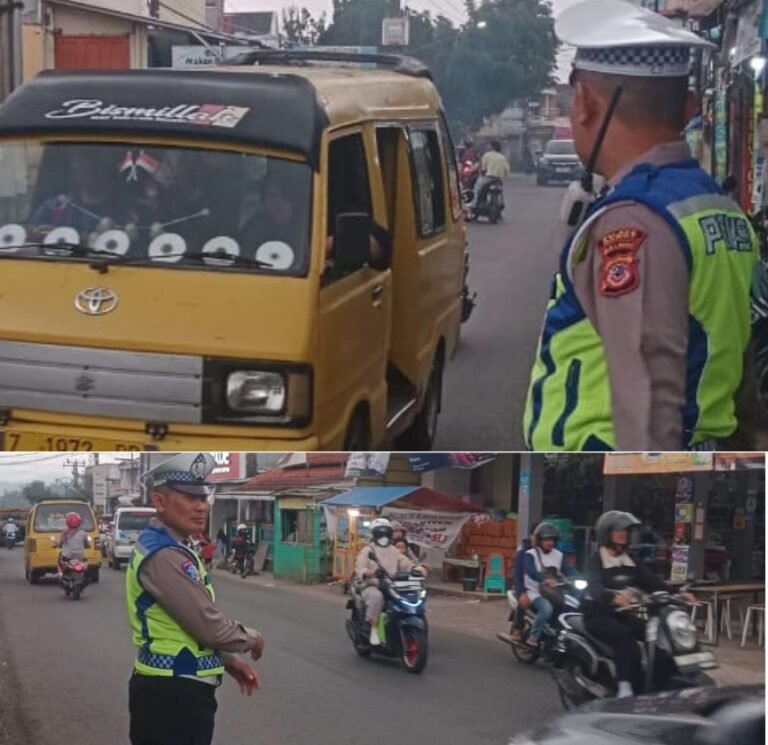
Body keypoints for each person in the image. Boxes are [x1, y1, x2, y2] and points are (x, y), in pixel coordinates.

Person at [523, 0, 759, 452]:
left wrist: (646, 482)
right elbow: (738, 374)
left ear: (585, 103)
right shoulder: (720, 207)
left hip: (609, 457)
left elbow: (647, 404)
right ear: (690, 108)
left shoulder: (634, 222)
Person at [126, 453, 265, 745]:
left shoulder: (170, 545)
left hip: (173, 689)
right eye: (189, 498)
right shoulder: (164, 554)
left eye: (203, 497)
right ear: (159, 501)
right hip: (173, 696)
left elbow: (184, 625)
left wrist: (228, 660)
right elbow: (208, 626)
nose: (201, 506)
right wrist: (252, 638)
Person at [582, 510, 697, 697]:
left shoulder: (632, 560)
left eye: (626, 531)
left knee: (657, 635)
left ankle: (655, 685)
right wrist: (613, 597)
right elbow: (594, 587)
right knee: (624, 637)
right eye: (618, 530)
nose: (623, 534)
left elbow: (652, 582)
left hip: (623, 615)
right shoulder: (595, 560)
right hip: (597, 615)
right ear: (606, 533)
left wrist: (679, 594)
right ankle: (624, 688)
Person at [354, 518, 426, 646]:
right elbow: (360, 568)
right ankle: (374, 629)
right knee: (377, 597)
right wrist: (368, 573)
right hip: (371, 584)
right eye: (380, 532)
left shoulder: (394, 550)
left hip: (391, 584)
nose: (383, 535)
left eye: (386, 531)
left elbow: (405, 563)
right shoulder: (368, 550)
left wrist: (417, 568)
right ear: (374, 534)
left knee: (408, 596)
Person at [523, 521, 581, 648]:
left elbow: (569, 570)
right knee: (546, 608)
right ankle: (534, 636)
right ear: (540, 540)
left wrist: (581, 578)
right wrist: (544, 579)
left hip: (555, 592)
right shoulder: (530, 554)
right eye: (546, 539)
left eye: (552, 539)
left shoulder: (558, 555)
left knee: (572, 607)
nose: (550, 542)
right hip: (536, 592)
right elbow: (531, 571)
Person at [498, 529, 536, 643]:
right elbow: (517, 575)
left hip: (542, 588)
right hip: (524, 587)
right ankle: (517, 629)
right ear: (531, 536)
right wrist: (522, 592)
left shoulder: (550, 553)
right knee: (524, 601)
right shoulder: (524, 552)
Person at [467, 140, 510, 210]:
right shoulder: (502, 157)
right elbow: (507, 169)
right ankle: (501, 203)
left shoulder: (487, 155)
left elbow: (483, 168)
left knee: (477, 187)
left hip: (489, 177)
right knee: (500, 190)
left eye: (489, 146)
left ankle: (474, 203)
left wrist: (481, 172)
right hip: (498, 179)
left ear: (492, 147)